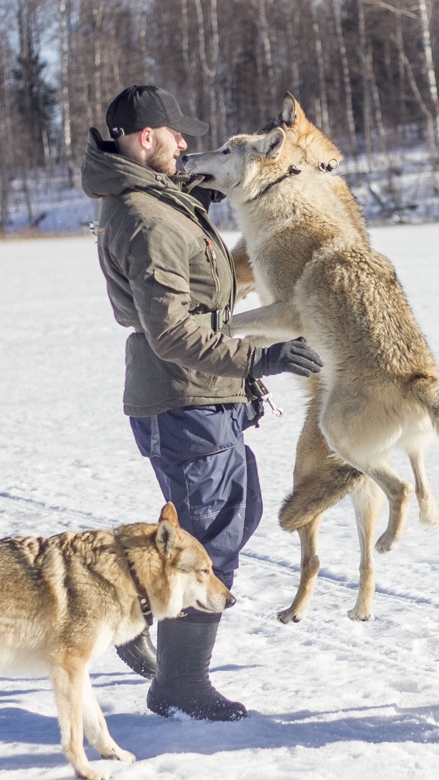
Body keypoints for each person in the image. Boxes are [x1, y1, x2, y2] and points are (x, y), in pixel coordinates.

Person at [81, 85, 323, 721]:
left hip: (206, 396)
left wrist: (217, 189)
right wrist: (258, 358)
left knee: (233, 520)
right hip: (182, 397)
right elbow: (172, 332)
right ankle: (179, 684)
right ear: (141, 138)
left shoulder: (159, 205)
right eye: (172, 133)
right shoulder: (145, 218)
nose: (184, 143)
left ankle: (133, 617)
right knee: (207, 537)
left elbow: (185, 263)